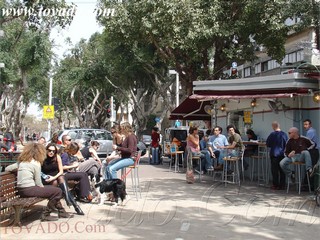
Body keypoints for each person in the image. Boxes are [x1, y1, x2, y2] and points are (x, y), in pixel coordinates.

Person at [5, 143, 70, 221]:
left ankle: (61, 211)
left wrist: (20, 170)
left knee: (52, 190)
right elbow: (38, 183)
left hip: (21, 190)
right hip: (29, 189)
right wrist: (47, 190)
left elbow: (7, 169)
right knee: (57, 191)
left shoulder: (22, 162)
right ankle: (46, 214)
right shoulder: (36, 163)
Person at [42, 143, 84, 215]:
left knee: (61, 178)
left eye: (53, 151)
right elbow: (40, 172)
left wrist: (54, 177)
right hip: (46, 178)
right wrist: (49, 178)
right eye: (49, 150)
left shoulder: (57, 157)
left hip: (56, 176)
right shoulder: (42, 158)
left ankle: (69, 201)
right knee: (56, 183)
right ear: (46, 150)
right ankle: (73, 205)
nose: (51, 152)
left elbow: (61, 171)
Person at [266, 121, 288, 190]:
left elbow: (268, 144)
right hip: (282, 154)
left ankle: (275, 185)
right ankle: (282, 185)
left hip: (274, 154)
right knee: (282, 170)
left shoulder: (272, 134)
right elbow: (287, 143)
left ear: (273, 126)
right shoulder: (284, 134)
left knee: (274, 170)